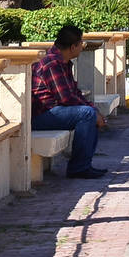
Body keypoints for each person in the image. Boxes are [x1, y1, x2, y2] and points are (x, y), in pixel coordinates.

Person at [31, 25, 108, 179]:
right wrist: (93, 112)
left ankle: (84, 165)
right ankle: (79, 168)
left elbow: (74, 92)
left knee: (90, 113)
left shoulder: (63, 62)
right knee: (87, 114)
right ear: (73, 47)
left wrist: (94, 110)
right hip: (41, 116)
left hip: (55, 112)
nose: (82, 47)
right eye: (81, 43)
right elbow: (66, 98)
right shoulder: (52, 64)